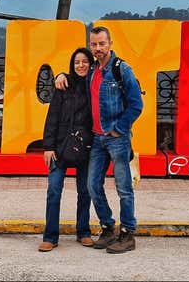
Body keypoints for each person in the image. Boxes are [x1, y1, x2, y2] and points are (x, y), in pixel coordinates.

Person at [54, 26, 143, 254]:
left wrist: (118, 129)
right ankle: (107, 227)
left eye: (102, 44)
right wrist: (61, 75)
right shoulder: (92, 70)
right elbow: (76, 81)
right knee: (93, 186)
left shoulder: (122, 69)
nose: (98, 48)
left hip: (117, 139)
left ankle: (127, 234)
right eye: (94, 44)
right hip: (97, 140)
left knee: (124, 188)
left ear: (110, 43)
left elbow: (136, 105)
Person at [38, 47, 95, 252]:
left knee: (85, 190)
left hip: (87, 146)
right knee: (53, 190)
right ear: (73, 64)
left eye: (85, 62)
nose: (81, 65)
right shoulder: (63, 85)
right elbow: (52, 116)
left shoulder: (95, 85)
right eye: (77, 62)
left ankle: (84, 231)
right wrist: (48, 146)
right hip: (60, 146)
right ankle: (50, 236)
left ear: (91, 63)